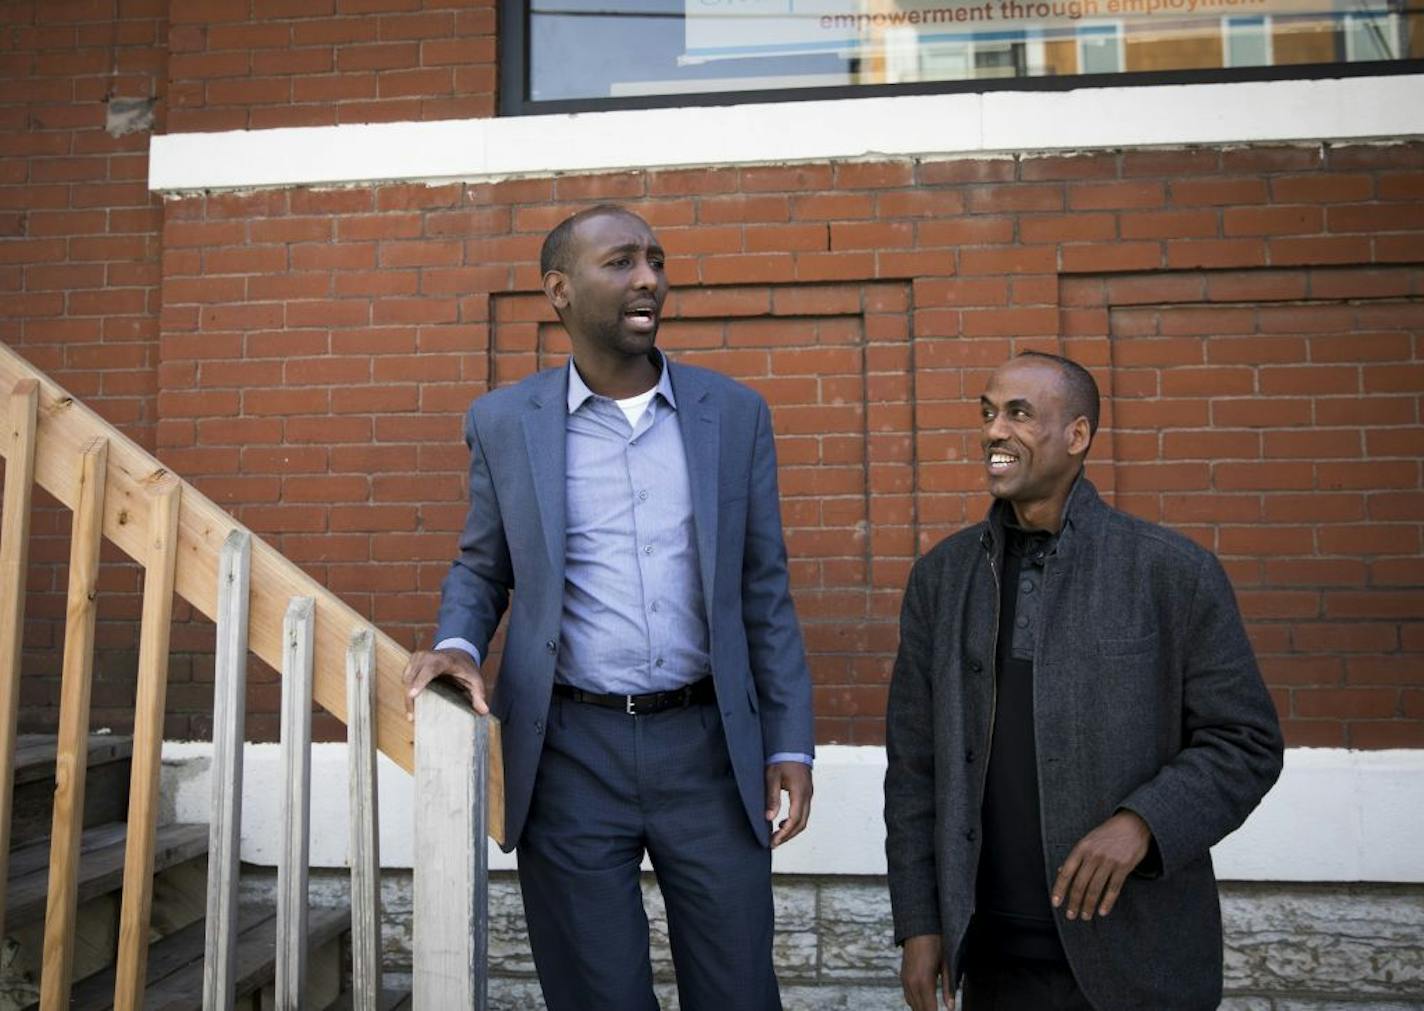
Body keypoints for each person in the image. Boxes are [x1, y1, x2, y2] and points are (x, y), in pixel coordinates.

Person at [401, 205, 815, 1011]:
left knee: (738, 988)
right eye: (622, 262)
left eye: (655, 260)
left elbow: (764, 587)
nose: (650, 279)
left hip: (708, 748)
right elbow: (484, 565)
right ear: (558, 289)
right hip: (568, 753)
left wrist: (789, 737)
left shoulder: (732, 413)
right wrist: (456, 642)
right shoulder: (503, 422)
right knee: (597, 992)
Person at [884, 351, 1284, 1011]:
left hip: (1137, 959)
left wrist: (1144, 822)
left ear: (1077, 435)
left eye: (1018, 413)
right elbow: (914, 768)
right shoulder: (942, 579)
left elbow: (1245, 739)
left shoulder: (1170, 572)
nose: (994, 431)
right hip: (992, 963)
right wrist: (921, 920)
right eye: (988, 413)